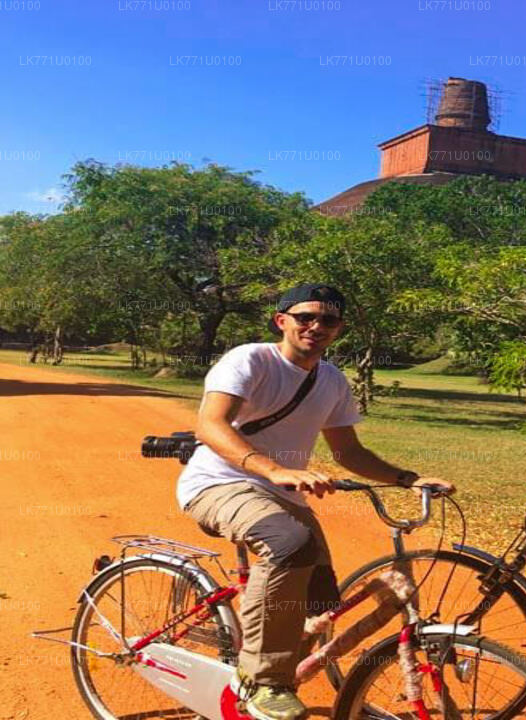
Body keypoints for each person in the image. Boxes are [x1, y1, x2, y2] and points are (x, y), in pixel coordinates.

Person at [177, 283, 453, 720]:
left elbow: (349, 452)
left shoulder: (332, 380)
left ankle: (273, 677)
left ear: (339, 328)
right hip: (218, 483)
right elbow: (210, 425)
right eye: (305, 317)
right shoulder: (251, 359)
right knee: (290, 544)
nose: (316, 326)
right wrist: (275, 470)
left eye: (328, 320)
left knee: (318, 605)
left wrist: (408, 479)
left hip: (279, 493)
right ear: (281, 321)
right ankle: (263, 681)